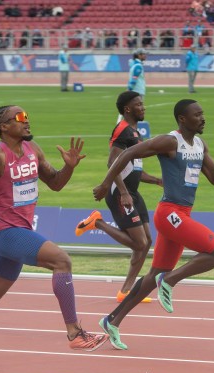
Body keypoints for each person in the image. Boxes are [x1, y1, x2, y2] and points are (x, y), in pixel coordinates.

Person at [92, 99, 214, 350]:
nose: (203, 118)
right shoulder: (170, 141)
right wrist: (105, 184)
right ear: (182, 119)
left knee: (153, 274)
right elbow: (127, 153)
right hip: (169, 214)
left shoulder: (199, 144)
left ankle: (112, 320)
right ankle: (170, 281)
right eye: (197, 115)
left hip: (182, 214)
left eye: (203, 114)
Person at [0, 105, 108, 351]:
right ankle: (75, 333)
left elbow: (55, 183)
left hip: (20, 230)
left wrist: (69, 167)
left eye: (27, 117)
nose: (27, 121)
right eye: (20, 118)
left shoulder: (32, 150)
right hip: (3, 232)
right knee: (61, 261)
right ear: (3, 126)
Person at [75, 91, 162, 303]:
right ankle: (97, 223)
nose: (143, 107)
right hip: (120, 194)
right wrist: (122, 192)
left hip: (133, 193)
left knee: (147, 241)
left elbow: (135, 170)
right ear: (127, 109)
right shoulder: (123, 130)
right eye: (139, 105)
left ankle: (126, 291)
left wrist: (158, 181)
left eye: (143, 104)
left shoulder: (135, 132)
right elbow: (112, 163)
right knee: (139, 244)